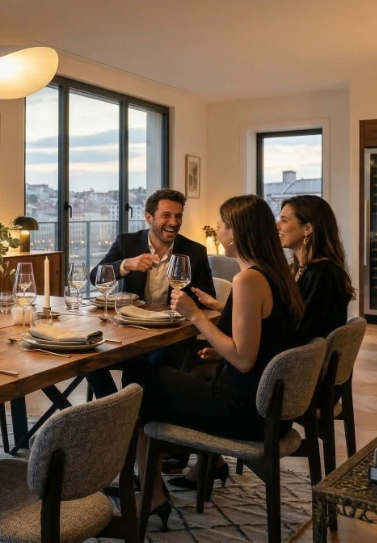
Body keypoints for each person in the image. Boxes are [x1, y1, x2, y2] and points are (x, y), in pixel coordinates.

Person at [132, 194, 305, 516]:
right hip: (270, 410)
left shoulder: (248, 279)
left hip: (245, 411)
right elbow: (262, 341)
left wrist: (195, 315)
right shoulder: (277, 274)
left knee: (138, 386)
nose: (218, 231)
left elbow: (243, 359)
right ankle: (191, 466)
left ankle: (153, 494)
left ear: (236, 233)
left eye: (222, 225)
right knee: (177, 372)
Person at [85, 189, 216, 399]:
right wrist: (127, 264)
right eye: (166, 215)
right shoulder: (127, 243)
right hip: (129, 333)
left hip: (171, 338)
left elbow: (207, 301)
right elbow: (95, 277)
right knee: (89, 357)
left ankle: (136, 413)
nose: (173, 222)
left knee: (153, 362)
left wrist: (184, 304)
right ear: (149, 217)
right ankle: (114, 412)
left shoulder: (195, 252)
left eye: (178, 216)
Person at [276, 195, 355, 342]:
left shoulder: (321, 274)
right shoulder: (300, 269)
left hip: (303, 361)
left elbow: (303, 333)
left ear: (307, 228)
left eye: (284, 220)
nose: (277, 225)